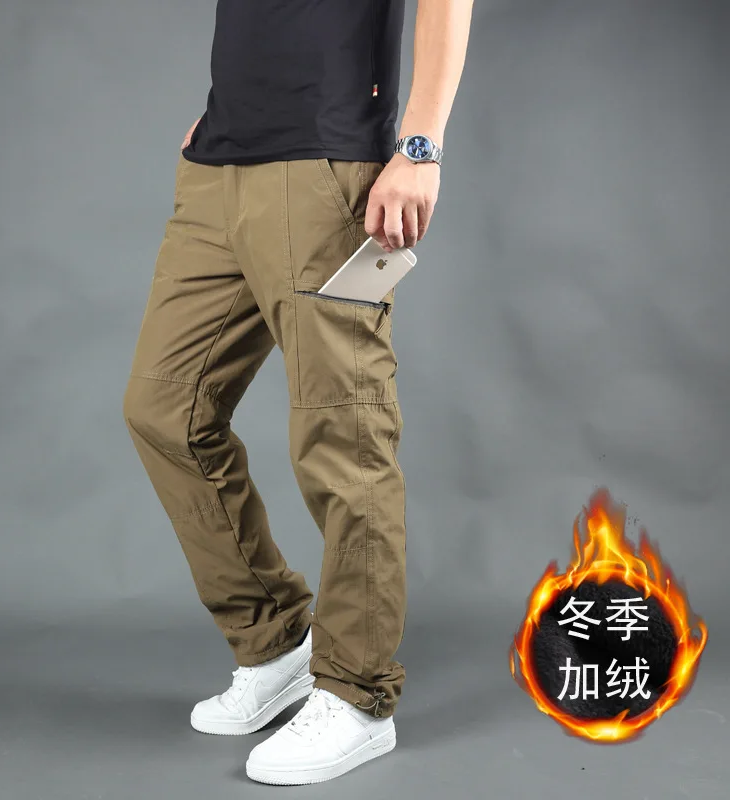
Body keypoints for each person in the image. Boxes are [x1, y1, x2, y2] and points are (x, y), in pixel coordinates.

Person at [123, 0, 474, 785]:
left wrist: (418, 145)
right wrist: (227, 114)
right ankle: (274, 641)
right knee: (163, 410)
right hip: (220, 165)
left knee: (342, 438)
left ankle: (356, 695)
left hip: (324, 163)